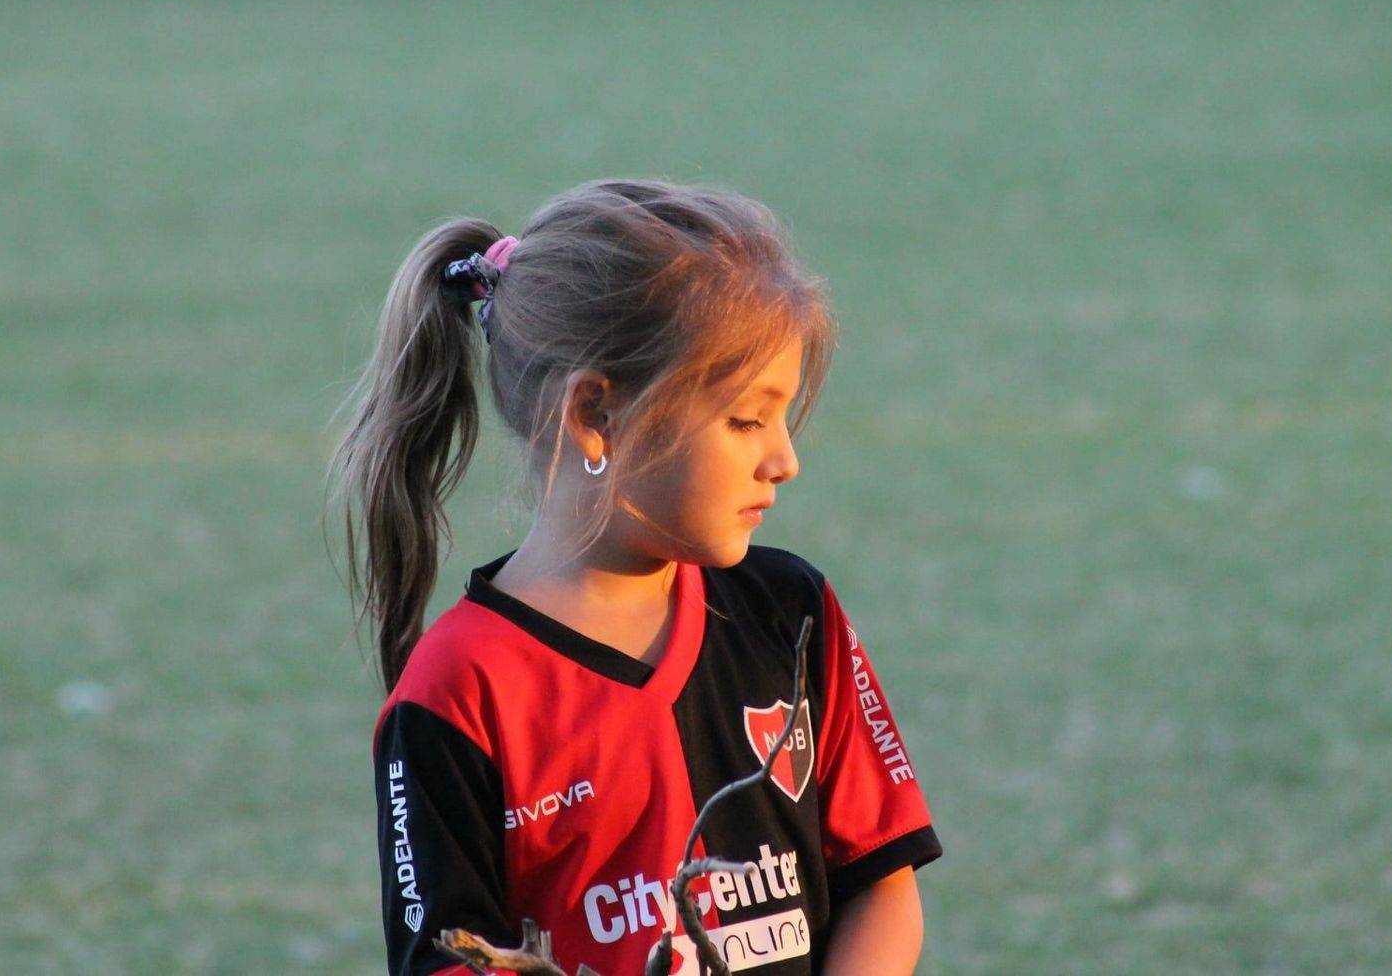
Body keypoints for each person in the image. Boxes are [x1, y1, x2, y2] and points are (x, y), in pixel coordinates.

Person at [328, 178, 941, 975]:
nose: (784, 459)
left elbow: (880, 887)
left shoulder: (791, 613)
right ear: (596, 415)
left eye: (783, 418)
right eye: (746, 420)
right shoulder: (461, 688)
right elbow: (447, 959)